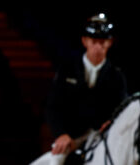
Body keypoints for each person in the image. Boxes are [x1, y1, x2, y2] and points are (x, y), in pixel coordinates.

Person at [45, 13, 128, 164]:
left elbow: (122, 107)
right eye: (94, 41)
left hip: (102, 137)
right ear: (85, 41)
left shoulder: (117, 76)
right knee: (56, 160)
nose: (98, 47)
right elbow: (53, 107)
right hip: (72, 136)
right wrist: (61, 134)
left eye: (102, 42)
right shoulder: (67, 70)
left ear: (109, 43)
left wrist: (112, 121)